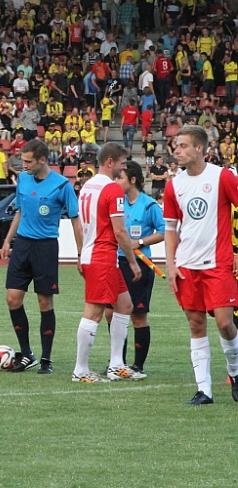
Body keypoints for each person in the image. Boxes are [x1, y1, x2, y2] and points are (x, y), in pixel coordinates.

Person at [163, 125, 238, 405]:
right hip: (186, 266)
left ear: (199, 148)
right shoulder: (174, 185)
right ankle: (204, 390)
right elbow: (170, 229)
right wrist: (171, 264)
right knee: (196, 325)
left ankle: (235, 371)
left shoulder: (222, 177)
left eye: (183, 145)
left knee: (225, 323)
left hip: (218, 264)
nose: (177, 150)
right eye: (176, 145)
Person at [1, 139, 83, 374]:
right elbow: (20, 211)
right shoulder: (23, 179)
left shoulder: (62, 185)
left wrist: (80, 254)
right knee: (12, 299)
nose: (24, 165)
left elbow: (76, 221)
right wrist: (7, 240)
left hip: (45, 247)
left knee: (44, 302)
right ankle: (27, 354)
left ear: (42, 160)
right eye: (23, 161)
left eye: (28, 161)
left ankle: (46, 359)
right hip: (22, 245)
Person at [73, 143, 144, 383]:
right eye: (122, 164)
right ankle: (80, 370)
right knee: (93, 313)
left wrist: (81, 253)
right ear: (110, 162)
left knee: (124, 305)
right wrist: (133, 262)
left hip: (94, 253)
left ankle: (116, 364)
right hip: (102, 255)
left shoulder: (87, 186)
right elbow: (120, 231)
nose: (123, 169)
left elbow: (80, 225)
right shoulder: (112, 189)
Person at [105, 159, 165, 376]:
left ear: (132, 180)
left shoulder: (149, 205)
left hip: (140, 265)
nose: (116, 181)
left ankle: (138, 366)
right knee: (111, 313)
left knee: (137, 316)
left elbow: (163, 231)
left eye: (119, 177)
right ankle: (117, 362)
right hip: (116, 262)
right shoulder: (116, 203)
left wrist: (139, 242)